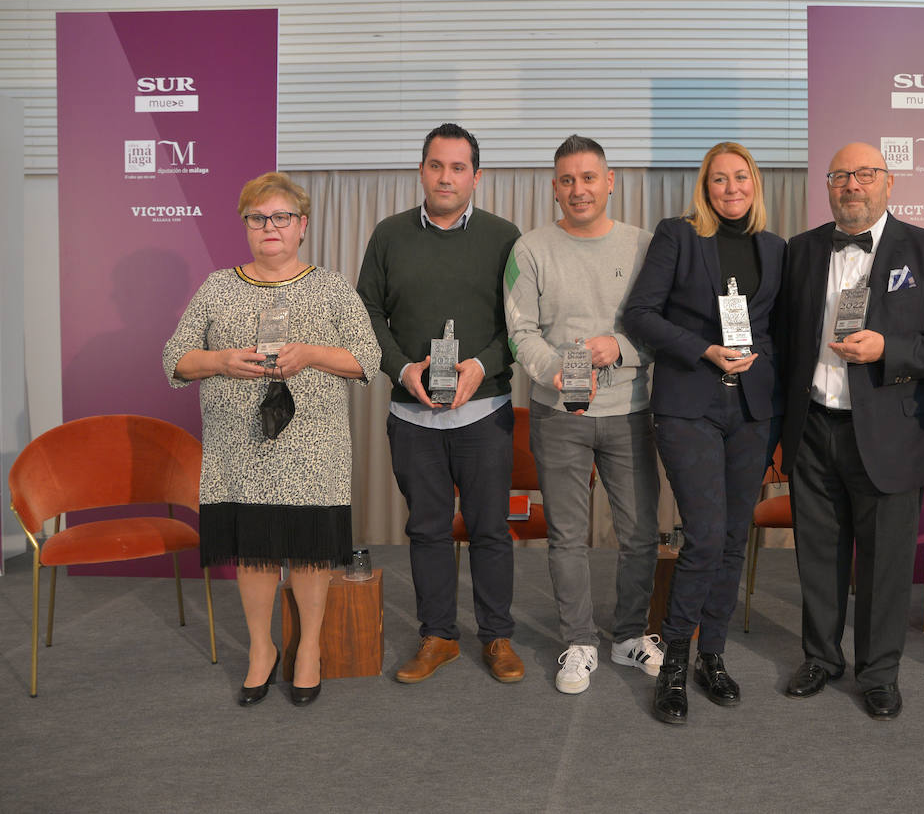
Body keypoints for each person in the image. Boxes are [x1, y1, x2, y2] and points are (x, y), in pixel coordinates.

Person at [164, 171, 381, 707]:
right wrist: (218, 361)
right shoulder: (216, 287)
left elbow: (367, 360)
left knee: (309, 554)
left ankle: (307, 650)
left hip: (313, 453)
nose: (269, 227)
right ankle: (262, 651)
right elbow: (176, 359)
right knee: (255, 555)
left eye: (281, 217)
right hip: (240, 453)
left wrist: (310, 353)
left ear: (302, 226)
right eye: (258, 218)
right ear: (245, 226)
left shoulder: (331, 288)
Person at [777, 142, 924, 721]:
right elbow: (788, 343)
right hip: (813, 426)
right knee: (818, 555)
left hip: (893, 432)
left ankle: (879, 672)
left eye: (865, 174)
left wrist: (889, 348)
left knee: (885, 562)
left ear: (889, 183)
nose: (852, 185)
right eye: (840, 176)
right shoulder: (801, 251)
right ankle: (820, 656)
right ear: (829, 187)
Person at [356, 123, 525, 685]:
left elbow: (521, 325)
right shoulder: (388, 236)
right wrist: (402, 368)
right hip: (412, 415)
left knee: (489, 530)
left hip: (484, 413)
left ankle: (497, 636)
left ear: (477, 176)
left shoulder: (506, 238)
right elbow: (367, 316)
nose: (446, 177)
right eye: (436, 165)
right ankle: (438, 637)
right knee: (427, 529)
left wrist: (483, 364)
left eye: (458, 167)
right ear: (421, 170)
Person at [624, 141, 785, 724]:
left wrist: (760, 371)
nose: (731, 189)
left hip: (752, 411)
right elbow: (640, 314)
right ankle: (673, 661)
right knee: (707, 535)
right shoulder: (679, 235)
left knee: (734, 537)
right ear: (705, 187)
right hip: (688, 403)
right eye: (719, 180)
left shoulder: (774, 247)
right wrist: (706, 350)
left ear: (755, 183)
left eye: (740, 178)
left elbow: (776, 332)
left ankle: (711, 656)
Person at [503, 134, 662, 694]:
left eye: (589, 177)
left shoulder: (644, 245)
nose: (579, 189)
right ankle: (578, 643)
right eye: (567, 180)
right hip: (557, 413)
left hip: (630, 410)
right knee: (567, 536)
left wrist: (620, 348)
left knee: (641, 534)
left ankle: (628, 635)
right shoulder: (529, 249)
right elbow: (520, 331)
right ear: (554, 187)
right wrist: (557, 373)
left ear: (610, 181)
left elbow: (662, 326)